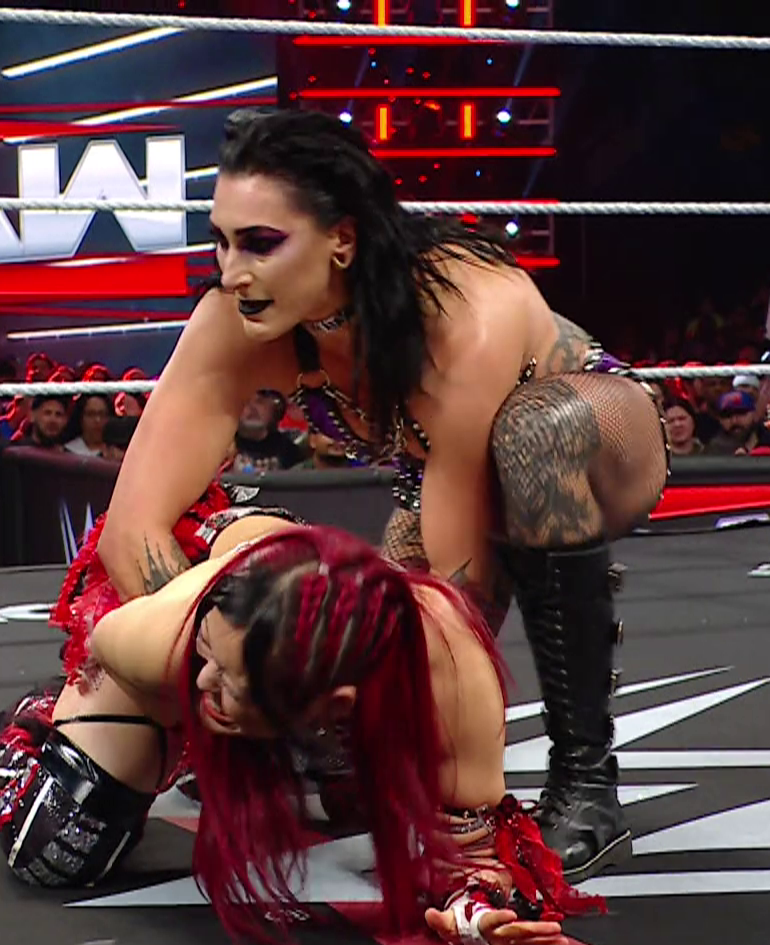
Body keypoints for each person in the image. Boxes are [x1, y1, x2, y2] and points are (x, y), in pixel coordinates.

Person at [91, 108, 671, 882]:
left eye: (261, 242)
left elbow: (462, 601)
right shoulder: (235, 319)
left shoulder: (462, 316)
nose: (232, 271)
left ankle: (587, 783)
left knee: (531, 440)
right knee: (346, 622)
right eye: (221, 241)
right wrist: (239, 672)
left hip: (594, 436)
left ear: (342, 239)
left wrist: (383, 719)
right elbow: (130, 530)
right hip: (436, 475)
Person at [0, 518, 602, 945]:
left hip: (288, 668)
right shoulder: (168, 640)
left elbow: (471, 846)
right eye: (210, 664)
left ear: (335, 704)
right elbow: (103, 642)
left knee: (349, 789)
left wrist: (475, 916)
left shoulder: (450, 677)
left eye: (229, 684)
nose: (209, 685)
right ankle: (32, 723)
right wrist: (168, 718)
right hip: (184, 608)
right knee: (57, 844)